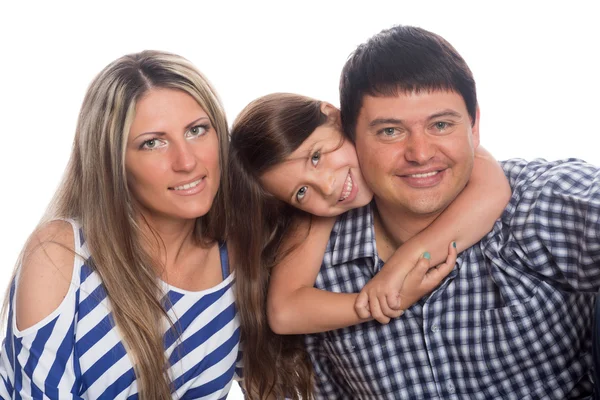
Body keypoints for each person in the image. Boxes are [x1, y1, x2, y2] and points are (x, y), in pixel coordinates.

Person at [288, 24, 600, 399]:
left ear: (475, 127)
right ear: (351, 137)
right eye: (390, 131)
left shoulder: (535, 206)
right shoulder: (315, 268)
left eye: (441, 125)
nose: (420, 153)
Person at [228, 92, 511, 398]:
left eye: (316, 157)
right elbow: (284, 312)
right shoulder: (316, 215)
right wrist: (386, 301)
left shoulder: (408, 143)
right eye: (301, 192)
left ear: (334, 116)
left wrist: (402, 264)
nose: (327, 187)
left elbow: (492, 187)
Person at [0, 51, 241, 399]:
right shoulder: (62, 255)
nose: (187, 161)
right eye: (152, 143)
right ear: (112, 161)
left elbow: (284, 376)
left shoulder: (235, 258)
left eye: (197, 130)